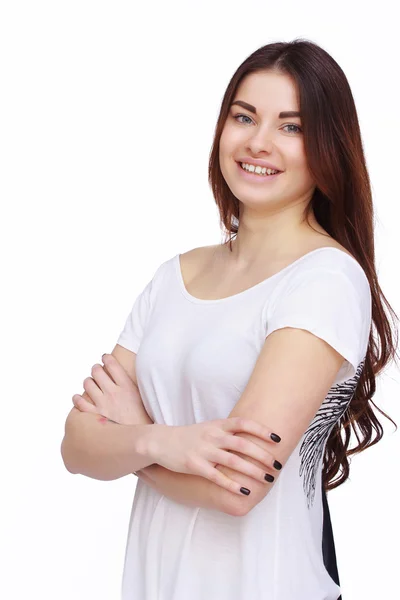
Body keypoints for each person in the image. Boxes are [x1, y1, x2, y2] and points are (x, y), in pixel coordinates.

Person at [68, 39, 399, 600]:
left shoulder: (323, 280)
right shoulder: (173, 276)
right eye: (244, 117)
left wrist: (136, 442)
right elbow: (76, 446)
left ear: (328, 149)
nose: (258, 142)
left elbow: (240, 486)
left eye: (291, 127)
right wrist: (162, 442)